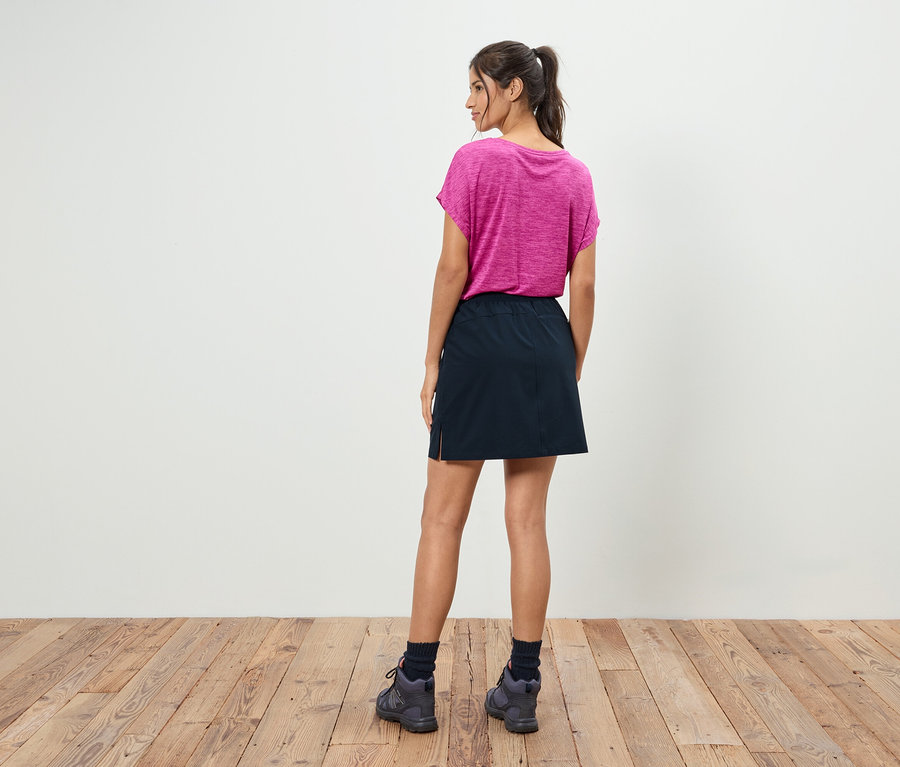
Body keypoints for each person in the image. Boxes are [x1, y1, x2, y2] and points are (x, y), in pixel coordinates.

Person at [376, 40, 599, 735]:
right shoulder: (575, 172)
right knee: (527, 520)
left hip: (478, 338)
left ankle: (414, 683)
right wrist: (572, 363)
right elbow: (584, 283)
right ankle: (523, 684)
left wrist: (433, 359)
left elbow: (451, 269)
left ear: (511, 89)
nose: (469, 101)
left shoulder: (474, 161)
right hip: (544, 339)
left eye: (477, 87)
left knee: (441, 518)